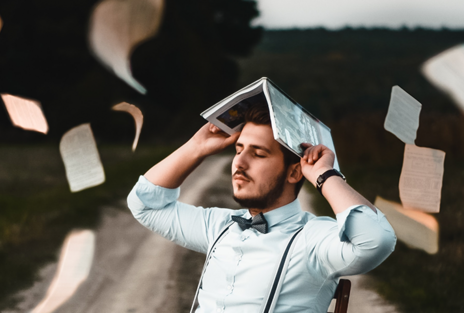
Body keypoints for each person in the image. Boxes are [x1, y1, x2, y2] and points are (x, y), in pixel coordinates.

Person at [127, 103, 397, 312]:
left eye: (258, 154)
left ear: (294, 173)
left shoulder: (313, 239)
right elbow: (144, 204)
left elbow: (376, 240)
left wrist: (324, 176)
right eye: (238, 150)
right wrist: (196, 148)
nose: (239, 164)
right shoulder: (220, 226)